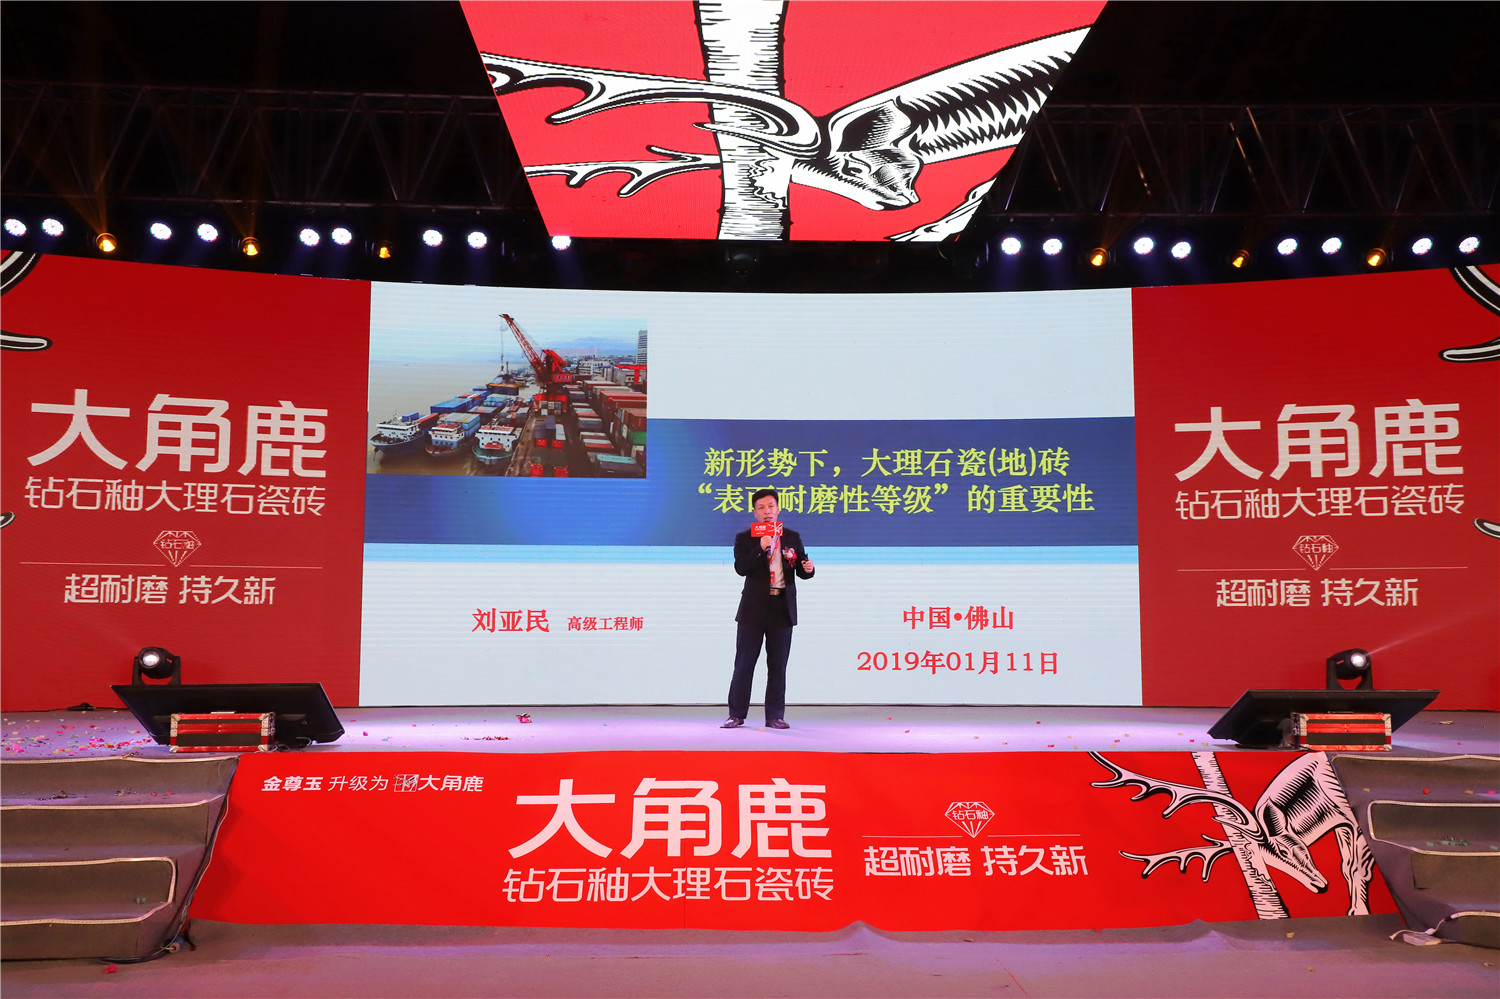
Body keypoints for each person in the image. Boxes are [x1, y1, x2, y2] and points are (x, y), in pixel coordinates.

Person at [723, 488, 815, 729]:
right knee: (744, 664)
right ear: (754, 513)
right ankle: (736, 714)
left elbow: (801, 567)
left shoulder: (791, 536)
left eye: (771, 506)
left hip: (782, 608)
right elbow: (741, 568)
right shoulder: (745, 538)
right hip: (753, 610)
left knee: (777, 666)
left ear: (778, 510)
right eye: (761, 508)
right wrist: (760, 548)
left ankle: (775, 716)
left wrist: (808, 569)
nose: (767, 511)